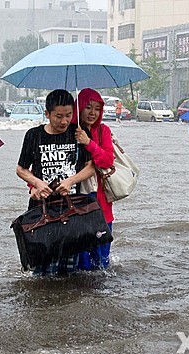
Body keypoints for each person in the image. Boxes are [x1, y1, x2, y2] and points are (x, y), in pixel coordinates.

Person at [16, 89, 95, 275]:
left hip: (71, 208)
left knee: (69, 270)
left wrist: (71, 181)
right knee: (41, 269)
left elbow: (91, 167)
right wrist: (36, 183)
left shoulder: (78, 134)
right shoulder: (33, 135)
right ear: (47, 114)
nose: (64, 121)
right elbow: (21, 169)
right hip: (40, 208)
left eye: (68, 115)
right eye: (58, 116)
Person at [73, 88, 115, 270]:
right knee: (80, 263)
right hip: (75, 205)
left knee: (101, 264)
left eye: (97, 108)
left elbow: (107, 159)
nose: (92, 113)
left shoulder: (103, 131)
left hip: (101, 205)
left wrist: (88, 143)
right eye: (88, 107)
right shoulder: (69, 131)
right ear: (79, 107)